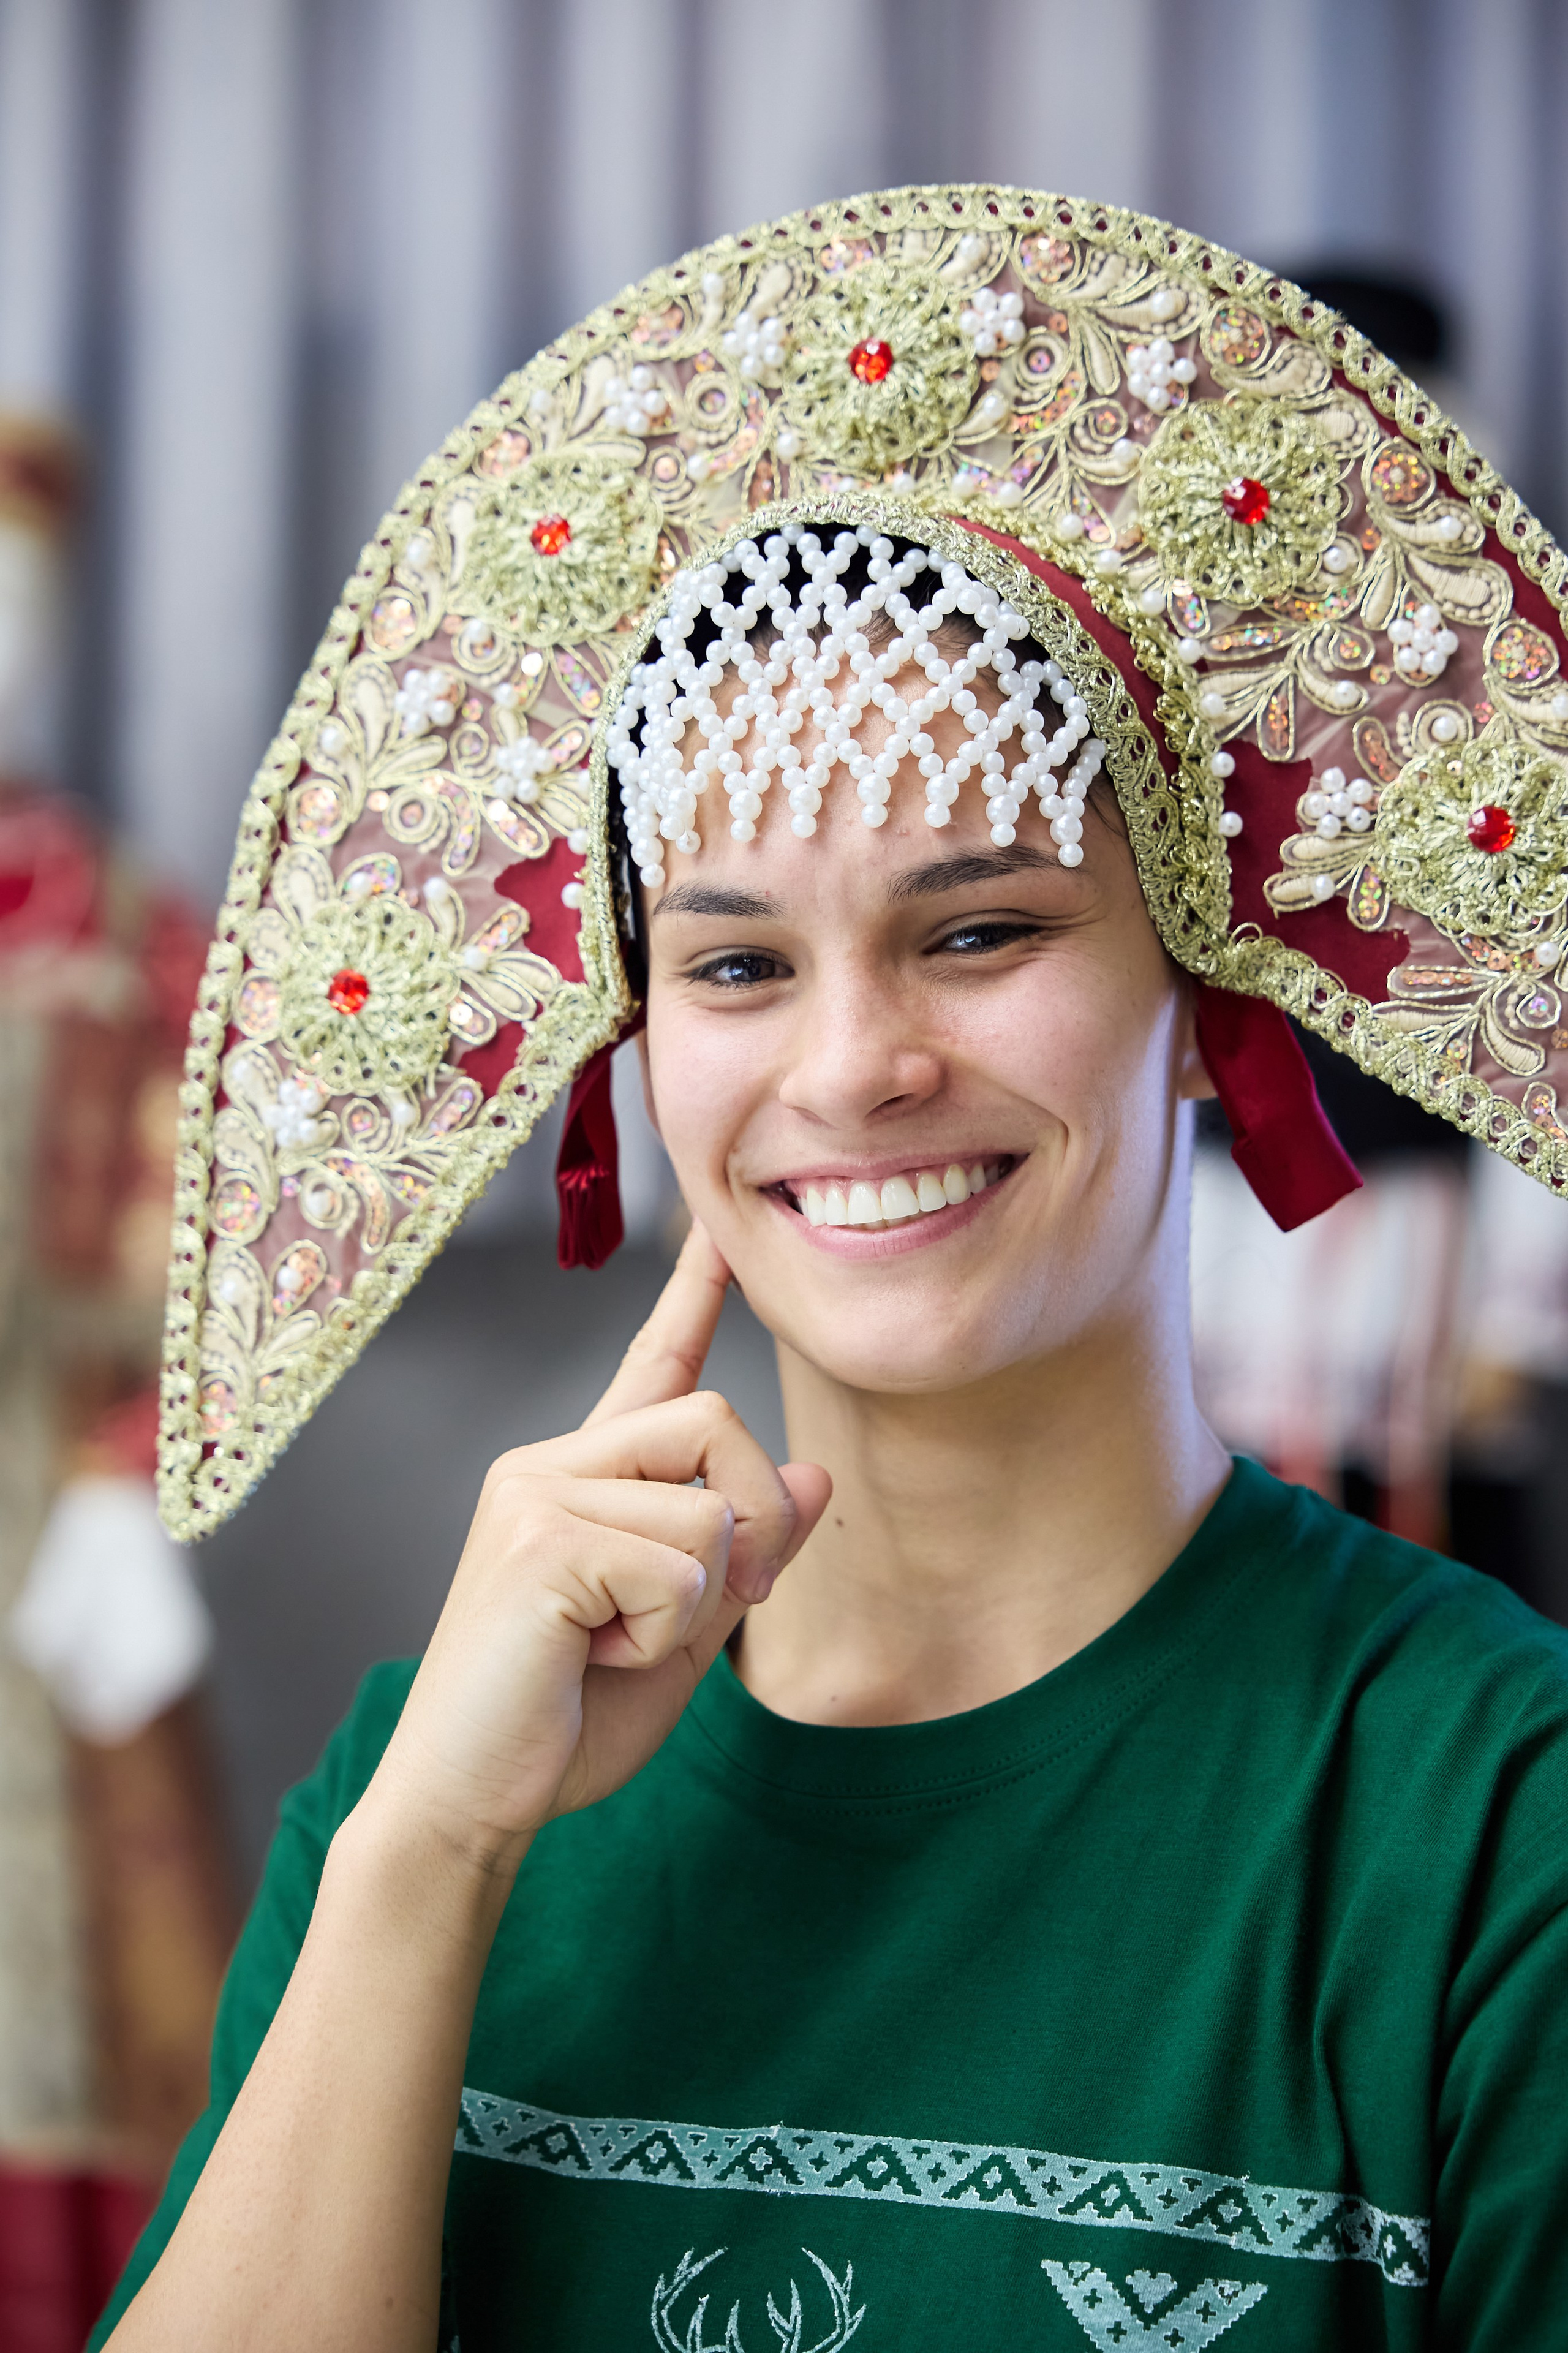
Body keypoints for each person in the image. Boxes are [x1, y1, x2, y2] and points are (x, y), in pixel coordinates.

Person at [97, 187, 1568, 2351]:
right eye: (738, 963)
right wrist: (424, 1871)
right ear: (636, 1047)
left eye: (981, 930)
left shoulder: (1489, 1814)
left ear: (1216, 988)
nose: (857, 1066)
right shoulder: (423, 1778)